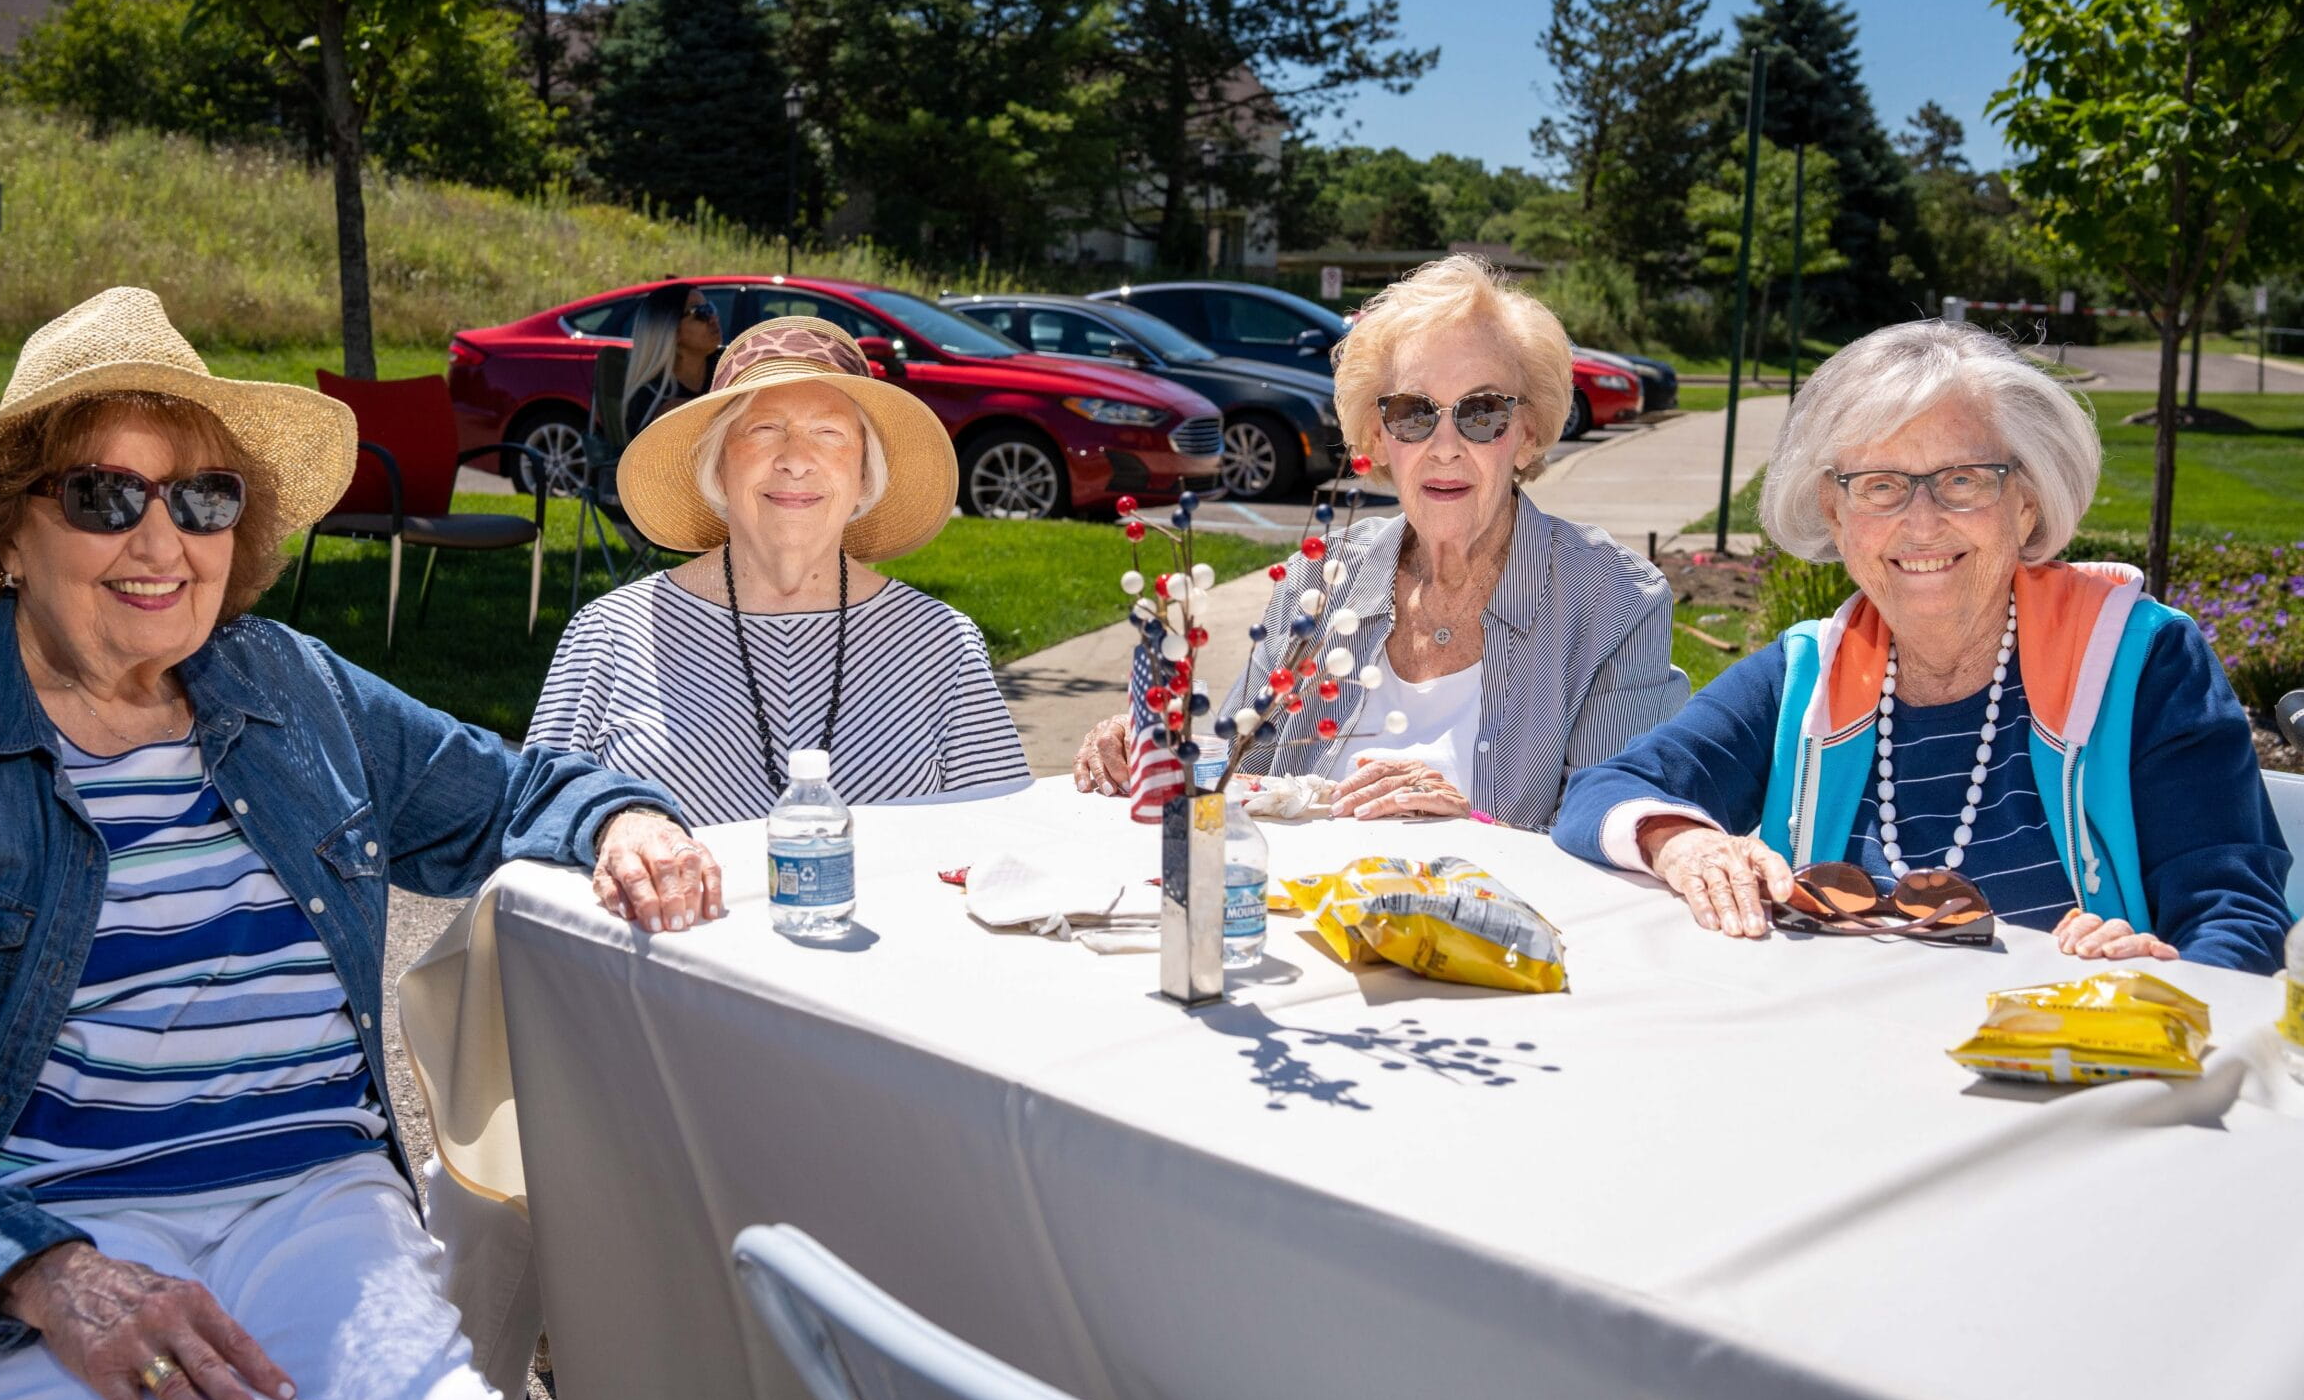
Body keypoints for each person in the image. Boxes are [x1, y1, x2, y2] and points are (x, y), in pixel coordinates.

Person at [0, 287, 722, 1400]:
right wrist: (48, 1271)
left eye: (203, 496)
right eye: (104, 493)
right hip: (27, 1237)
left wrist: (624, 819)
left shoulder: (286, 686)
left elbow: (511, 790)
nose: (161, 541)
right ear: (7, 531)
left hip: (313, 1207)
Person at [1553, 319, 2294, 971]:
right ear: (1835, 514)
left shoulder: (2142, 661)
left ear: (2027, 500)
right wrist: (1680, 842)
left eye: (1963, 479)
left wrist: (2168, 981)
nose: (1922, 522)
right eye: (1879, 485)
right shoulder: (1808, 673)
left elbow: (2235, 915)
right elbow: (1602, 792)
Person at [1074, 256, 1687, 826]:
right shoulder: (1322, 579)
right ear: (1378, 436)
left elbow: (1610, 833)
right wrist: (1150, 742)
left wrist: (1471, 823)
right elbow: (1240, 773)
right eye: (1414, 414)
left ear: (1527, 435)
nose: (1444, 447)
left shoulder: (1612, 604)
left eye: (1481, 414)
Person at [531, 315, 1030, 826]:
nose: (796, 460)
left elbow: (1005, 837)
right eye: (765, 428)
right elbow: (534, 819)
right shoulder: (612, 632)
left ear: (863, 474)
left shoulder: (939, 642)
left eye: (828, 433)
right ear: (719, 465)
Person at [624, 283, 723, 436]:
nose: (713, 317)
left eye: (711, 307)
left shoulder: (730, 364)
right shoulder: (647, 398)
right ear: (672, 331)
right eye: (701, 312)